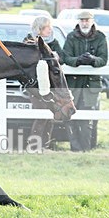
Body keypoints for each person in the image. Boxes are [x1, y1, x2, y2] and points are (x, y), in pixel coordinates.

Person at [60, 10, 107, 152]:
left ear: (92, 21)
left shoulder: (100, 37)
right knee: (70, 116)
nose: (85, 23)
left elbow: (103, 59)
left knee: (88, 118)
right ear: (78, 22)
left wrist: (93, 60)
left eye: (87, 20)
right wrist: (78, 60)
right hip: (74, 83)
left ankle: (87, 148)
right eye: (82, 20)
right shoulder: (71, 37)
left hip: (91, 83)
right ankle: (75, 148)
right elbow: (66, 57)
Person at [26, 15, 63, 151]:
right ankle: (33, 146)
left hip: (50, 85)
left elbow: (62, 57)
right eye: (47, 27)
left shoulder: (54, 42)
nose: (50, 29)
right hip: (35, 86)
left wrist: (56, 57)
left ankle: (45, 145)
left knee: (49, 116)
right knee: (41, 115)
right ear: (40, 28)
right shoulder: (29, 42)